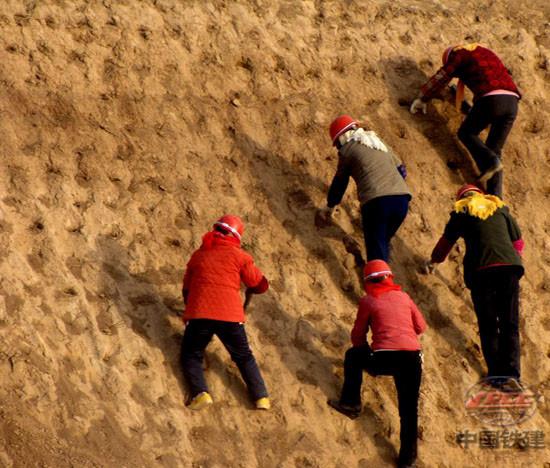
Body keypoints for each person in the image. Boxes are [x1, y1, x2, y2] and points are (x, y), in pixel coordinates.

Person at [328, 260, 426, 468]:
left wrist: (365, 350)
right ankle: (407, 459)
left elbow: (358, 334)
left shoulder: (369, 300)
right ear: (389, 276)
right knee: (409, 410)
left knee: (353, 356)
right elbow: (421, 326)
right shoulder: (405, 297)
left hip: (384, 358)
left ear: (368, 281)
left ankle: (351, 403)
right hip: (412, 359)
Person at [426, 184, 524, 385]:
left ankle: (497, 375)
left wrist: (433, 261)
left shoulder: (461, 211)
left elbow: (445, 244)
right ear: (481, 194)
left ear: (461, 198)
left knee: (488, 324)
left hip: (481, 271)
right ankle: (513, 373)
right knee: (510, 322)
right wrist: (510, 257)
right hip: (509, 268)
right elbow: (518, 243)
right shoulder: (499, 207)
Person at [180, 214, 270, 410]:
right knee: (243, 356)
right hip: (230, 316)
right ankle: (261, 397)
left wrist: (190, 308)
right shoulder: (241, 257)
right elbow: (260, 285)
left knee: (191, 354)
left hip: (200, 314)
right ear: (236, 235)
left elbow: (186, 289)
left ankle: (200, 393)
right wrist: (255, 285)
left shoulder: (199, 255)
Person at [410, 44, 521, 198]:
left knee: (466, 133)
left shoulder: (459, 54)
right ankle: (496, 198)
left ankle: (491, 162)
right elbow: (485, 86)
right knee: (494, 150)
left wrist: (423, 97)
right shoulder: (485, 52)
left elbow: (442, 77)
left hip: (491, 99)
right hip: (512, 103)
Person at [320, 115, 412, 262]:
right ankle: (383, 272)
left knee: (376, 250)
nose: (338, 147)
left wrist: (331, 205)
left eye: (337, 143)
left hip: (376, 202)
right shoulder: (378, 142)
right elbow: (402, 170)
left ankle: (377, 282)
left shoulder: (347, 150)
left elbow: (340, 182)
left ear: (342, 137)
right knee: (382, 242)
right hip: (402, 200)